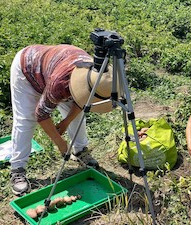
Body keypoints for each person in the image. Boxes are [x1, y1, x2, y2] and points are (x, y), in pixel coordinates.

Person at [10, 44, 116, 195]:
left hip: (55, 67)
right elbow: (41, 114)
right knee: (26, 119)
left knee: (77, 115)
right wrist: (60, 144)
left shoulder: (97, 77)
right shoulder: (59, 84)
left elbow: (82, 102)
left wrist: (65, 122)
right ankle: (17, 169)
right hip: (27, 70)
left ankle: (80, 151)